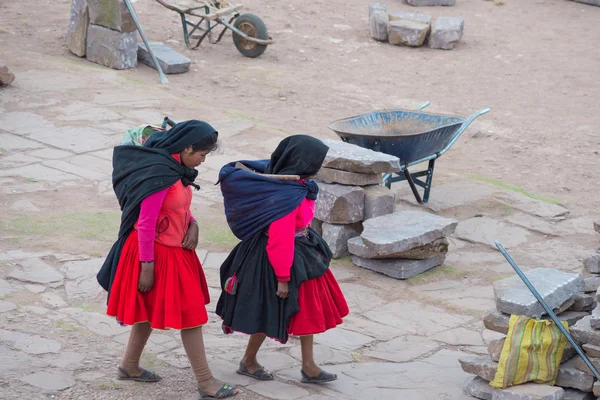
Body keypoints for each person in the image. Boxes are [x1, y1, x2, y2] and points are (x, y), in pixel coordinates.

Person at [97, 120, 238, 399]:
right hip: (153, 253)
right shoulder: (158, 174)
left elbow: (178, 207)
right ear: (186, 148)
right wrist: (146, 267)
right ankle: (205, 381)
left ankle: (129, 365)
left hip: (175, 250)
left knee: (148, 312)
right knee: (191, 316)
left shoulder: (176, 170)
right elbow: (146, 223)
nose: (202, 159)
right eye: (201, 154)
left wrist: (193, 224)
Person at [216, 135, 349, 384]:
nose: (318, 167)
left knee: (307, 311)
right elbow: (279, 239)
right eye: (316, 162)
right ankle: (249, 360)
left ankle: (309, 366)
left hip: (302, 251)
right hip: (279, 259)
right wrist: (283, 278)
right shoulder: (284, 196)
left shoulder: (296, 184)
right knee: (268, 310)